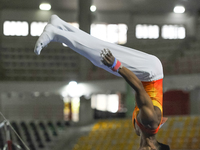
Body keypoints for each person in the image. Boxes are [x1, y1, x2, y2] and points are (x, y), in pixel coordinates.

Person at [34, 15, 170, 150]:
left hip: (148, 73)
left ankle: (60, 25)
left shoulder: (142, 130)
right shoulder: (150, 122)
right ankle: (56, 34)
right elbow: (139, 89)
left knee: (101, 49)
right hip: (150, 73)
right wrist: (116, 65)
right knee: (102, 57)